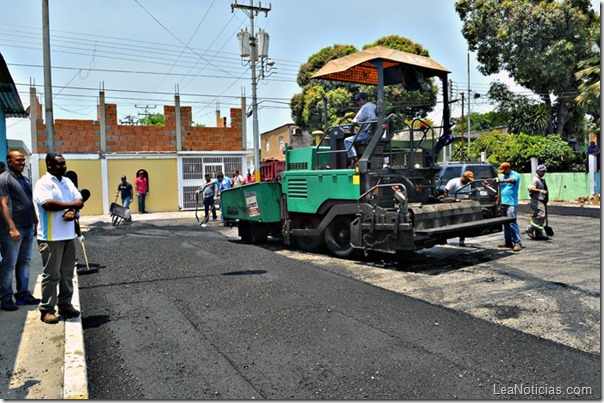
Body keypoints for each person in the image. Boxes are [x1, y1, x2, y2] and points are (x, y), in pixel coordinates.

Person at [33, 153, 84, 324]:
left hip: (68, 235)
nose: (63, 167)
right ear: (49, 165)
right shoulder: (43, 183)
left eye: (64, 164)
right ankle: (47, 309)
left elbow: (79, 199)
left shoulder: (67, 182)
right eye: (59, 164)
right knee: (51, 275)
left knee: (67, 274)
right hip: (50, 238)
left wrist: (72, 209)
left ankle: (65, 305)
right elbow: (48, 204)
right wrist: (71, 205)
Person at [0, 151, 40, 311]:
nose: (22, 163)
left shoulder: (23, 179)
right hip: (13, 230)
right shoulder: (4, 179)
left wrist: (36, 222)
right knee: (9, 264)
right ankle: (6, 298)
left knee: (25, 262)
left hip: (27, 227)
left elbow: (29, 202)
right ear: (9, 161)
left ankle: (23, 294)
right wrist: (12, 227)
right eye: (18, 160)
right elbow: (2, 205)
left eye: (23, 160)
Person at [344, 92, 377, 168]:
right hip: (375, 134)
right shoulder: (373, 106)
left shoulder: (365, 107)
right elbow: (358, 114)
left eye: (359, 100)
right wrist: (346, 117)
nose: (358, 103)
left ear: (365, 99)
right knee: (357, 141)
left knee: (347, 141)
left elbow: (355, 121)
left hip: (368, 134)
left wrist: (351, 128)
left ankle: (354, 161)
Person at [444, 170, 474, 246]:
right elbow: (446, 191)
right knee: (448, 221)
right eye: (467, 179)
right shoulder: (454, 181)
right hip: (452, 203)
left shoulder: (468, 184)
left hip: (462, 204)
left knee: (462, 222)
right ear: (464, 177)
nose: (468, 181)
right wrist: (448, 200)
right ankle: (444, 239)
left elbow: (468, 194)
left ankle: (462, 240)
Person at [497, 162, 522, 252]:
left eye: (503, 171)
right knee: (505, 223)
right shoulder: (504, 177)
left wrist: (502, 181)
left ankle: (517, 243)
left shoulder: (515, 175)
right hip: (503, 203)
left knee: (512, 223)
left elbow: (513, 180)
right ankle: (508, 241)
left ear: (508, 169)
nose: (502, 173)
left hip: (511, 203)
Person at [527, 164, 549, 240]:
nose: (543, 173)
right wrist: (540, 191)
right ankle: (530, 229)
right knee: (541, 215)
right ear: (537, 171)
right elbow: (530, 189)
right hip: (536, 200)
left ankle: (539, 233)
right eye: (542, 171)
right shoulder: (535, 180)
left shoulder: (542, 180)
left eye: (544, 171)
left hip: (541, 200)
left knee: (541, 216)